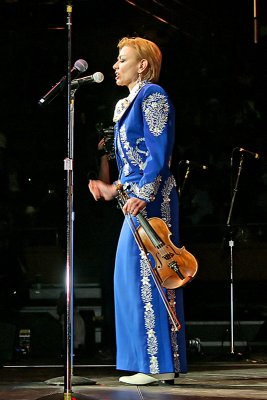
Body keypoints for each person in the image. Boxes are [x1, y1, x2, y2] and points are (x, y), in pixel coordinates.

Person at [88, 36, 187, 385]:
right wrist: (111, 187)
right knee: (130, 276)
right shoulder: (124, 104)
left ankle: (156, 363)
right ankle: (157, 362)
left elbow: (158, 154)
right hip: (136, 198)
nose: (115, 65)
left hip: (154, 197)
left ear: (141, 65)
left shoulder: (153, 96)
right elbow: (133, 165)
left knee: (149, 274)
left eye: (122, 59)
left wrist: (143, 193)